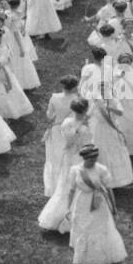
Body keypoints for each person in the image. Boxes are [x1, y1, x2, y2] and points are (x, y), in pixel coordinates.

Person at [64, 143, 127, 264]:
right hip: (82, 202)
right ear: (84, 158)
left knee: (99, 228)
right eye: (90, 159)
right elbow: (71, 190)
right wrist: (68, 208)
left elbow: (109, 189)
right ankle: (83, 256)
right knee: (83, 228)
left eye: (95, 158)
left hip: (98, 203)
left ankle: (99, 257)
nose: (93, 161)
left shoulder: (101, 169)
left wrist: (113, 207)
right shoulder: (75, 170)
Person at [39, 99, 96, 231]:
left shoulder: (66, 122)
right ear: (85, 110)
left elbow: (67, 139)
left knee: (64, 186)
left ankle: (57, 216)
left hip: (68, 158)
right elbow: (87, 145)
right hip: (81, 159)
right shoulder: (86, 128)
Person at [41, 75, 81, 194]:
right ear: (74, 87)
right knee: (72, 155)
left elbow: (49, 115)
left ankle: (56, 185)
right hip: (72, 129)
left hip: (57, 129)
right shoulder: (77, 99)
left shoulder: (54, 97)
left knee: (56, 157)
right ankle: (71, 183)